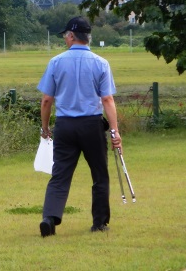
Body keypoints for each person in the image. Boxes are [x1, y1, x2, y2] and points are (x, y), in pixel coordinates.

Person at [36, 16, 122, 237]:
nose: (65, 39)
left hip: (65, 125)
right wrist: (115, 131)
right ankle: (99, 222)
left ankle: (49, 218)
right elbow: (108, 100)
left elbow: (47, 100)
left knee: (60, 174)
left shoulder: (56, 62)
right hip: (92, 124)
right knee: (99, 175)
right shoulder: (101, 63)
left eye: (66, 35)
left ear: (72, 36)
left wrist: (45, 128)